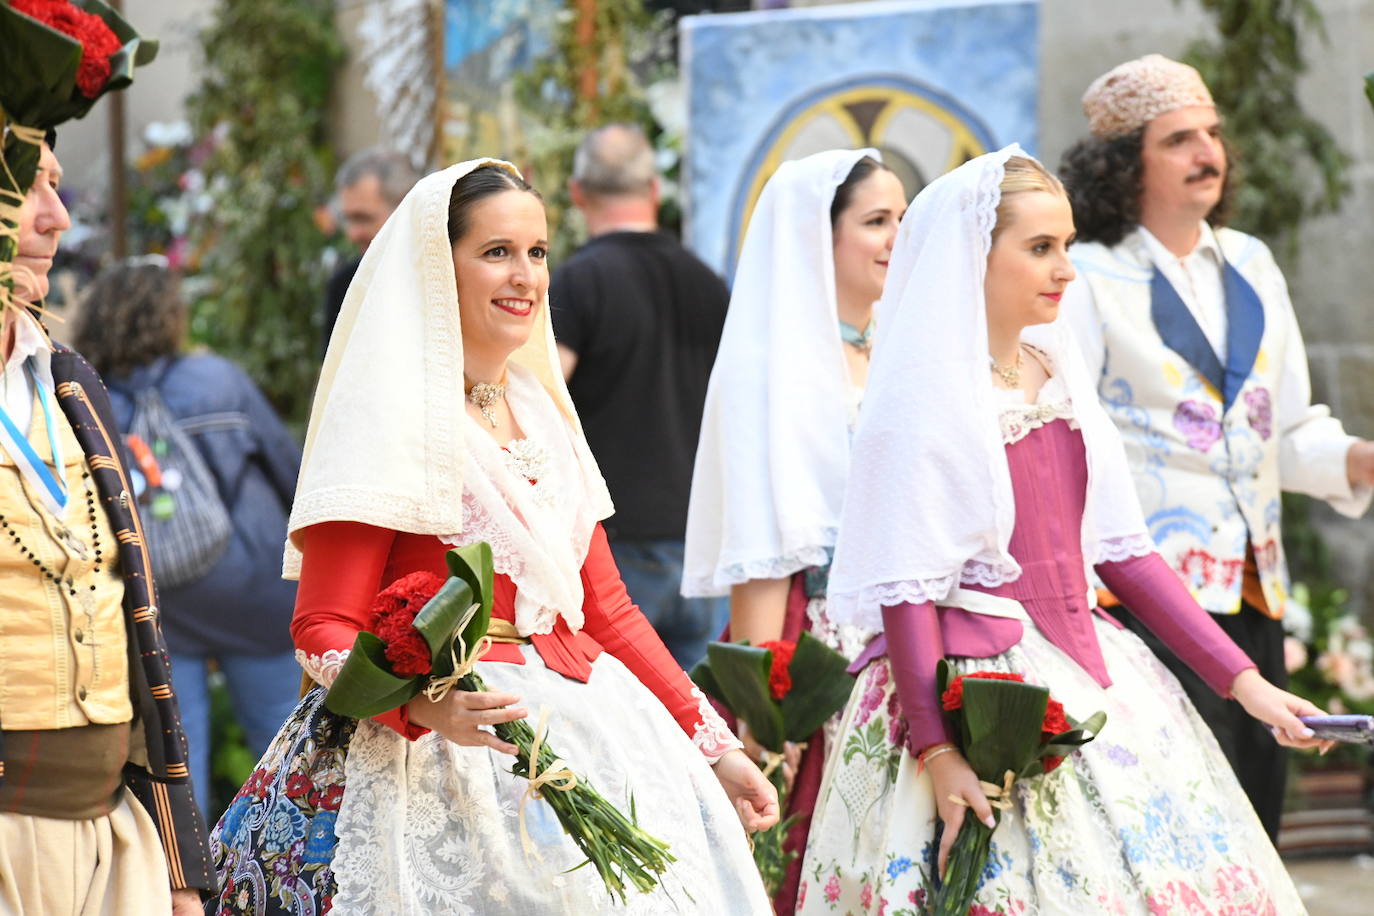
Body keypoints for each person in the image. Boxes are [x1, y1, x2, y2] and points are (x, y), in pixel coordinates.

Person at [205, 159, 776, 914]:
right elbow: (320, 627)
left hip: (589, 723)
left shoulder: (544, 413)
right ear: (437, 272)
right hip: (435, 756)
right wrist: (425, 707)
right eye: (497, 251)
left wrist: (717, 747)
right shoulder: (391, 417)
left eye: (538, 252)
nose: (526, 276)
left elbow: (606, 612)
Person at [798, 147, 1323, 913]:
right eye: (1041, 248)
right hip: (970, 687)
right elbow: (908, 593)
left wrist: (1246, 684)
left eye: (1067, 246)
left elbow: (1125, 553)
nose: (1065, 269)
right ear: (975, 256)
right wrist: (940, 753)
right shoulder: (922, 395)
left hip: (1096, 667)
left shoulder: (1056, 366)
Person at [1057, 54, 1374, 839]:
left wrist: (1358, 460)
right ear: (1124, 163)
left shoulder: (1252, 261)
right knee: (1179, 825)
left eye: (1213, 134)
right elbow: (1066, 444)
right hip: (1147, 595)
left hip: (1255, 585)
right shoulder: (1087, 278)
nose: (1209, 154)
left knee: (1255, 815)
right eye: (1179, 139)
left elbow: (1289, 430)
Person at [682, 148, 905, 913]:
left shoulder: (905, 347)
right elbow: (765, 548)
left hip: (918, 635)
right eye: (877, 221)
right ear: (820, 236)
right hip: (822, 647)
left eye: (904, 219)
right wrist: (762, 710)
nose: (896, 238)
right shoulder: (770, 365)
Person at [0, 136, 209, 913]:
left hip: (114, 838)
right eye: (28, 189)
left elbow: (135, 623)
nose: (56, 218)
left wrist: (178, 862)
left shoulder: (66, 377)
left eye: (59, 187)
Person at [74, 258, 304, 824]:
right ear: (171, 316)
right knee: (285, 752)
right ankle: (288, 891)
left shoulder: (83, 397)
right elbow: (291, 473)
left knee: (176, 760)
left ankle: (187, 892)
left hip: (157, 605)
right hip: (253, 590)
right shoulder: (219, 380)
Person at [550, 123, 731, 669]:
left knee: (623, 736)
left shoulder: (578, 283)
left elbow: (541, 401)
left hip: (616, 546)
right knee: (699, 735)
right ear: (654, 190)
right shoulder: (708, 282)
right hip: (701, 540)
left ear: (578, 193)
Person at [321, 146, 421, 355]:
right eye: (347, 219)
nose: (352, 234)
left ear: (407, 208)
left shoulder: (452, 278)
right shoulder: (345, 287)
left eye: (363, 218)